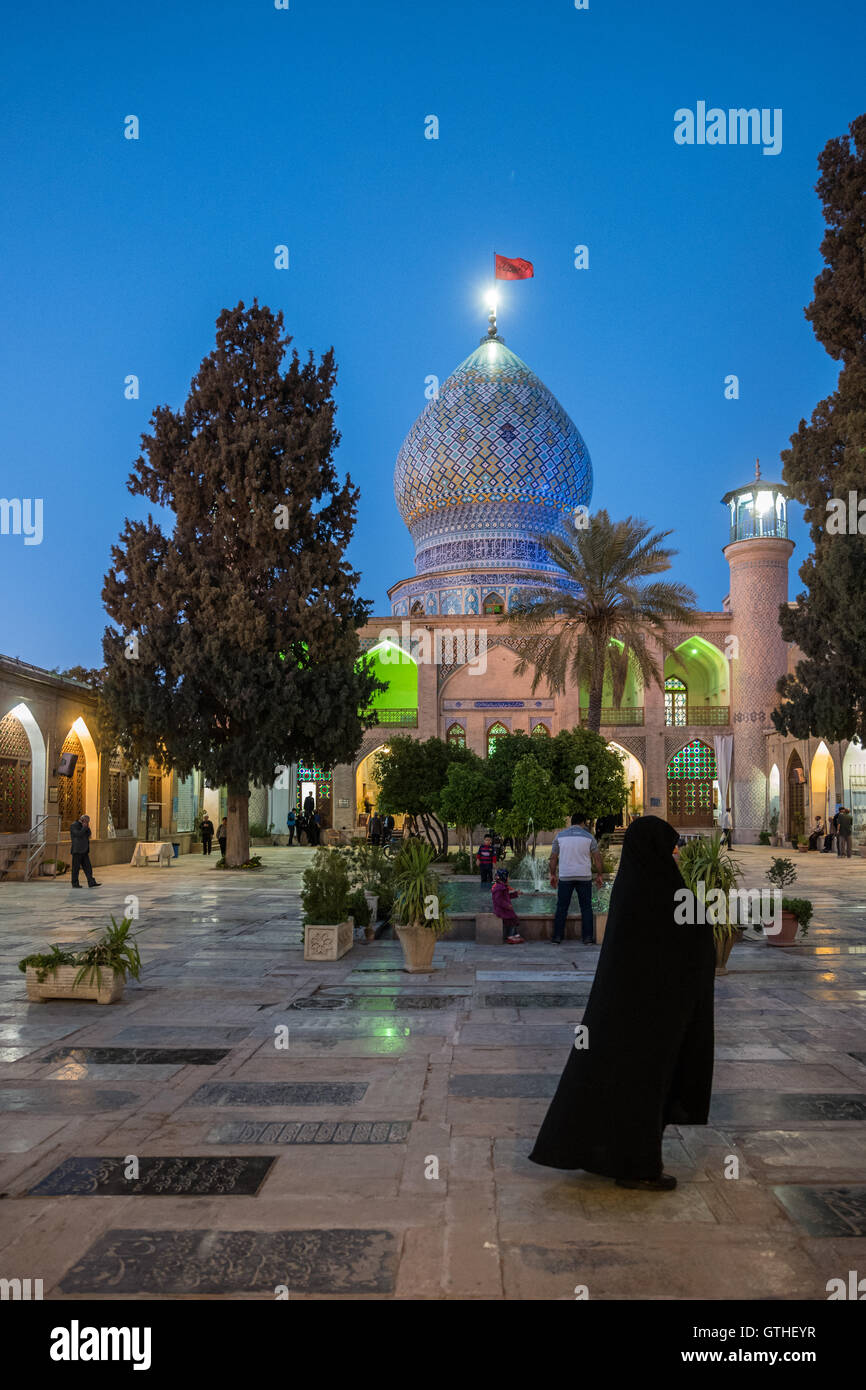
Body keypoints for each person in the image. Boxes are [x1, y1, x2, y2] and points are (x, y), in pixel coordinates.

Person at [529, 816, 715, 1191]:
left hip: (623, 1013)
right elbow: (690, 941)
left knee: (619, 1084)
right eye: (672, 848)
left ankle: (611, 1155)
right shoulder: (665, 892)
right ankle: (638, 1167)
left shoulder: (632, 888)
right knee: (645, 1087)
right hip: (652, 1017)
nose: (676, 855)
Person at [549, 812, 604, 945]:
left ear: (571, 822)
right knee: (586, 907)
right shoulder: (589, 837)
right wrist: (599, 875)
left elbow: (553, 857)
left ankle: (557, 937)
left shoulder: (560, 836)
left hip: (565, 876)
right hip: (584, 876)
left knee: (562, 907)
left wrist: (552, 874)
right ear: (583, 823)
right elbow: (597, 858)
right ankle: (587, 938)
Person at [491, 868, 525, 945]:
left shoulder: (502, 886)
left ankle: (515, 934)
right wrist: (507, 905)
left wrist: (516, 893)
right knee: (512, 919)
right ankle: (510, 936)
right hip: (501, 909)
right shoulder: (499, 888)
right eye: (508, 876)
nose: (509, 878)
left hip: (505, 909)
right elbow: (498, 900)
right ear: (504, 877)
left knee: (513, 919)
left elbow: (507, 896)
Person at [69, 813, 100, 888]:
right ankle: (75, 883)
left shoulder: (84, 826)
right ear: (82, 820)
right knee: (76, 868)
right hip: (77, 850)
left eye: (88, 822)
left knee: (88, 867)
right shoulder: (74, 825)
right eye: (86, 821)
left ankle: (91, 882)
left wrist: (86, 827)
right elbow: (78, 834)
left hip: (84, 850)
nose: (87, 823)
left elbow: (89, 834)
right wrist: (84, 827)